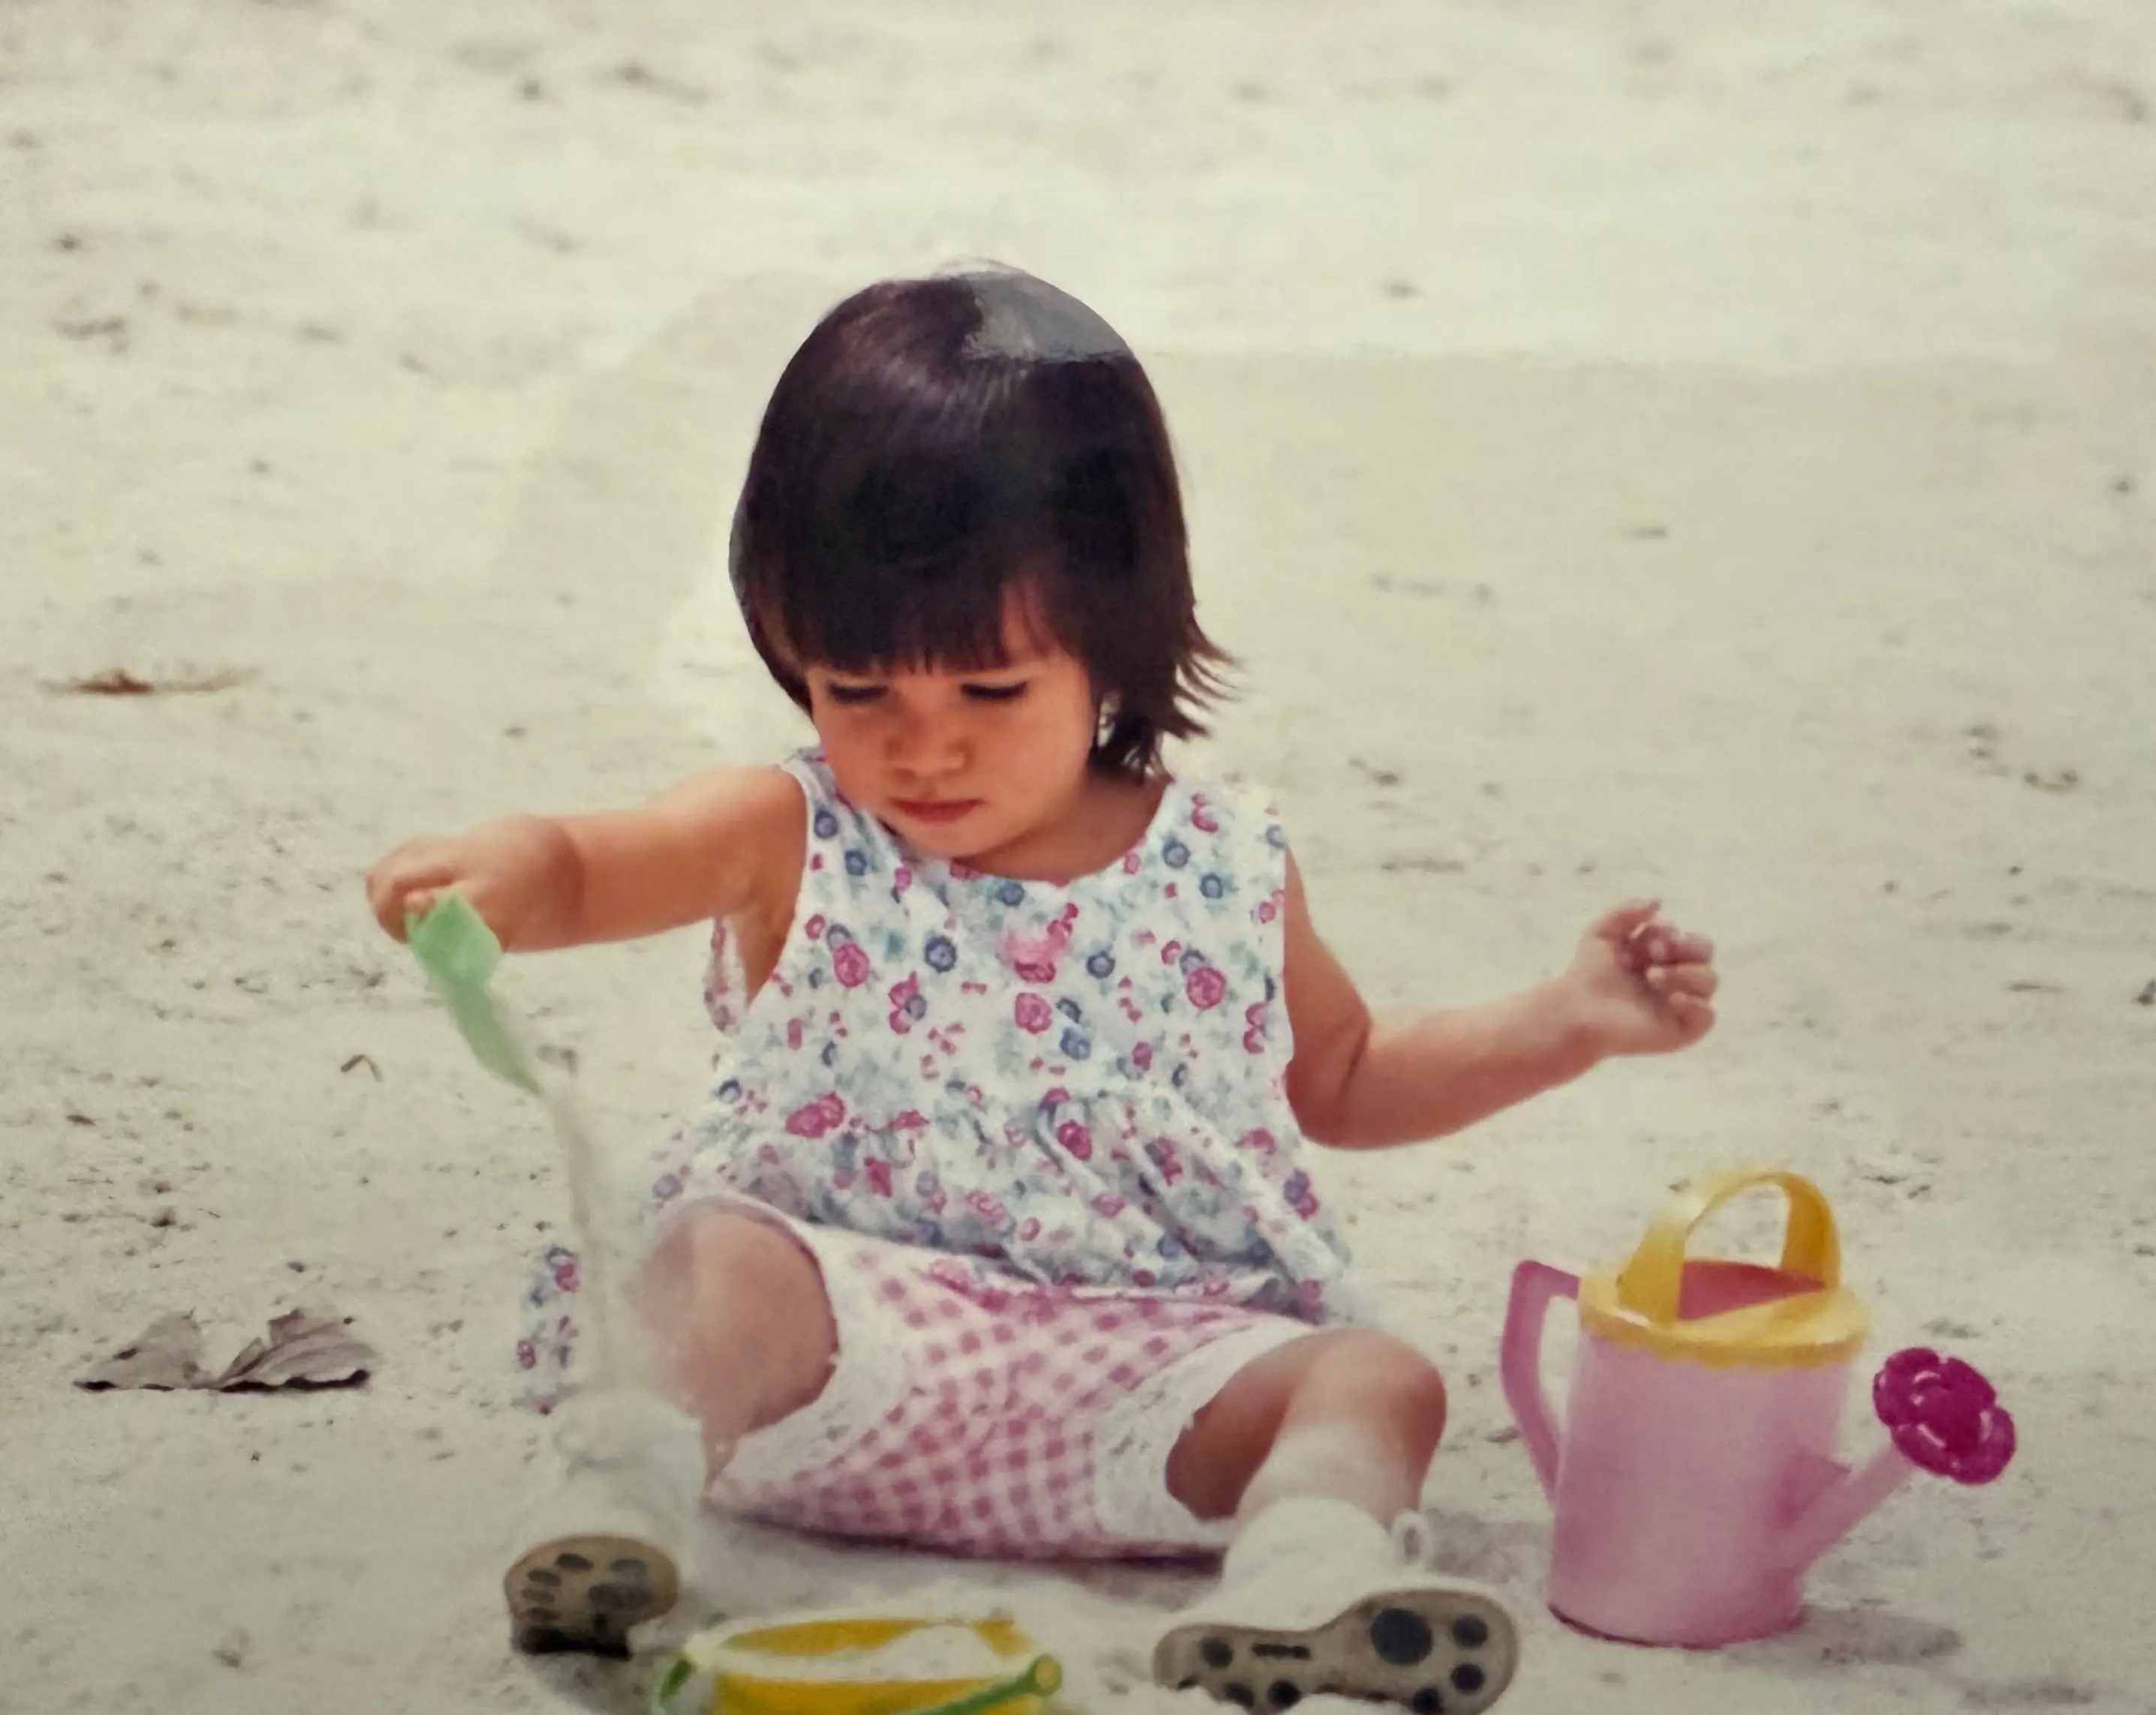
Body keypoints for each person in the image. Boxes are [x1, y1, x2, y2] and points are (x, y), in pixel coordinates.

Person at [365, 264, 1717, 1713]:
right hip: (840, 1360)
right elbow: (595, 863)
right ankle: (617, 1505)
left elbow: (1344, 1075)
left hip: (1143, 1378)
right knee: (718, 1264)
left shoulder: (1221, 863)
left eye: (991, 693)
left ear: (1114, 645)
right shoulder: (794, 830)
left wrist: (1562, 1023)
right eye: (860, 690)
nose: (921, 750)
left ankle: (1303, 1576)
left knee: (1376, 1378)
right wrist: (508, 872)